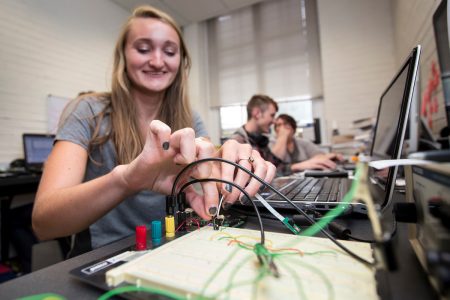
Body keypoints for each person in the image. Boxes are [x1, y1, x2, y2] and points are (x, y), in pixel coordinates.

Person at [32, 6, 275, 255]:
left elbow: (212, 179)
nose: (157, 61)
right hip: (103, 257)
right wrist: (127, 180)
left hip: (173, 249)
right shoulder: (87, 111)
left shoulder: (190, 118)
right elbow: (43, 223)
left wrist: (231, 167)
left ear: (181, 62)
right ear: (123, 55)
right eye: (143, 49)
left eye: (169, 51)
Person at [271, 114, 343, 173]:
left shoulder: (303, 142)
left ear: (293, 128)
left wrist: (331, 155)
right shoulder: (270, 143)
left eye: (286, 124)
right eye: (278, 125)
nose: (282, 128)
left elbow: (319, 157)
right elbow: (274, 163)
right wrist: (283, 136)